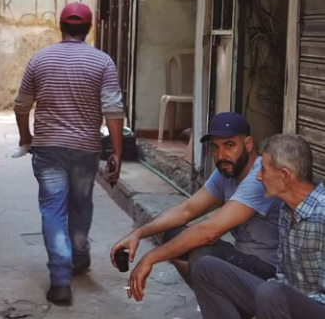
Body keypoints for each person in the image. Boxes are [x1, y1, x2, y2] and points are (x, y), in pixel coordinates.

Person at [14, 2, 124, 306]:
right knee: (81, 204)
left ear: (60, 27)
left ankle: (61, 281)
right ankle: (78, 255)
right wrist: (117, 152)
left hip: (48, 149)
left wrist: (25, 135)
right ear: (88, 29)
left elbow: (21, 105)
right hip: (86, 150)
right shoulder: (103, 62)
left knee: (53, 209)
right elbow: (113, 110)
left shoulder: (39, 59)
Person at [111, 112, 282, 302]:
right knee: (173, 235)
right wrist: (139, 233)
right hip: (243, 258)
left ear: (248, 144)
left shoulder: (260, 178)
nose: (221, 155)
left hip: (269, 271)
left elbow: (209, 232)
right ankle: (218, 300)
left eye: (229, 145)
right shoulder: (227, 170)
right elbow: (186, 210)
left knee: (202, 255)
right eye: (215, 147)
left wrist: (149, 258)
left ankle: (227, 303)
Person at [192, 133, 325, 319]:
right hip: (285, 301)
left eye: (263, 169)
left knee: (270, 293)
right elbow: (283, 277)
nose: (259, 176)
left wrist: (277, 299)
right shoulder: (287, 210)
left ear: (285, 176)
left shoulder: (321, 213)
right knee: (205, 268)